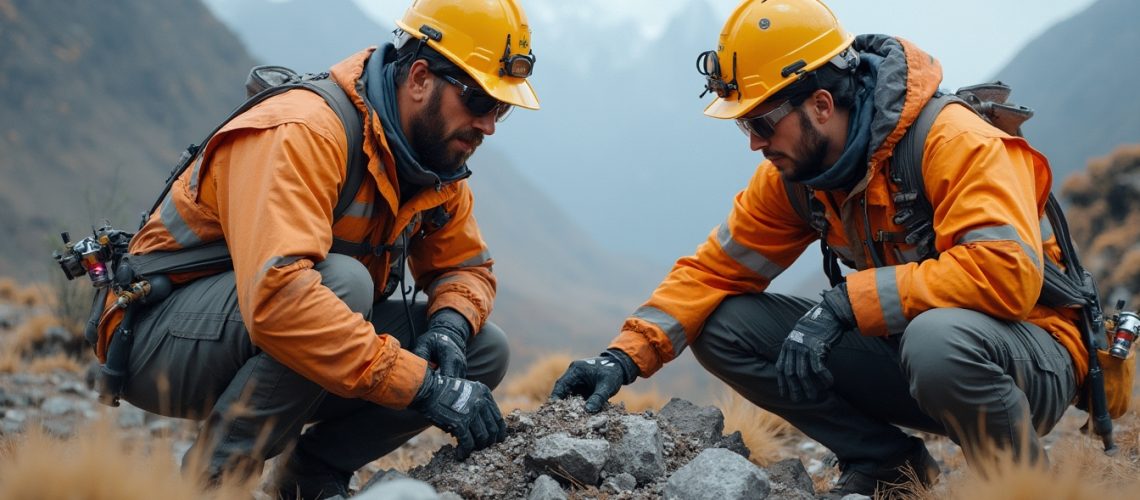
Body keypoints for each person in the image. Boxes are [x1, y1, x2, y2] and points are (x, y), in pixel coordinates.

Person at [551, 0, 1084, 495]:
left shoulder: (956, 142)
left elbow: (1008, 276)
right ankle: (888, 467)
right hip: (919, 352)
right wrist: (620, 358)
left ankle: (1020, 486)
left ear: (822, 104)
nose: (754, 143)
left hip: (1029, 356)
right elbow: (713, 271)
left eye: (761, 122)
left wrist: (847, 302)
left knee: (935, 339)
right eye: (743, 123)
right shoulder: (799, 175)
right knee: (721, 324)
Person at [92, 0, 540, 497]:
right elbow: (281, 301)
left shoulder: (434, 163)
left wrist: (450, 329)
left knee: (482, 350)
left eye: (501, 108)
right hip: (157, 338)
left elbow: (467, 267)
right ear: (418, 78)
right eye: (479, 101)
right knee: (341, 285)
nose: (489, 125)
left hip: (262, 332)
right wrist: (425, 385)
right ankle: (215, 484)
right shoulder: (304, 130)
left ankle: (311, 476)